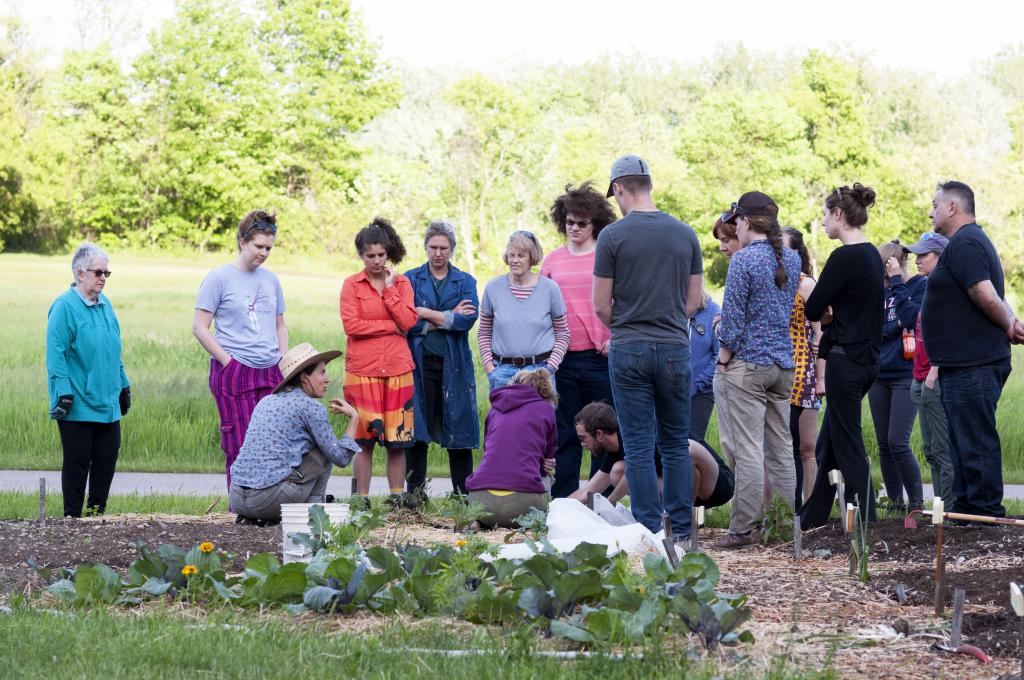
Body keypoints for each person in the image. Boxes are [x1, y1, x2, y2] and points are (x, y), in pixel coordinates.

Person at [593, 155, 703, 537]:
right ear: (650, 185)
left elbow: (600, 305)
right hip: (674, 347)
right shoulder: (685, 234)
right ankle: (684, 532)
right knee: (674, 444)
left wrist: (625, 325)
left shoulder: (612, 237)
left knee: (638, 447)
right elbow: (694, 301)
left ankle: (648, 531)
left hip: (629, 348)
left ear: (620, 188)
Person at [921, 181, 1024, 518]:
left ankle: (984, 516)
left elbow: (983, 293)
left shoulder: (966, 242)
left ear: (953, 207)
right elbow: (988, 293)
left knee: (975, 441)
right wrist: (1009, 318)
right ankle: (968, 514)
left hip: (974, 362)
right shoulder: (964, 243)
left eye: (936, 204)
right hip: (962, 363)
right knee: (962, 442)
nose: (931, 211)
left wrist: (1008, 324)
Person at [715, 192, 800, 548]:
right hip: (783, 365)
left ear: (746, 222)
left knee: (748, 449)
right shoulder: (792, 258)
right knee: (781, 447)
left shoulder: (744, 261)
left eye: (736, 222)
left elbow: (733, 323)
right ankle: (782, 525)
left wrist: (722, 357)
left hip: (748, 365)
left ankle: (743, 528)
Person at [799, 184, 885, 529]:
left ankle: (868, 522)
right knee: (829, 443)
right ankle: (812, 516)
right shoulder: (872, 256)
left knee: (847, 444)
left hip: (844, 361)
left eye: (825, 214)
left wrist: (829, 313)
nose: (822, 222)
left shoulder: (843, 257)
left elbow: (814, 308)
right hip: (867, 362)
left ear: (838, 214)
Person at [194, 210, 288, 496]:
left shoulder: (271, 280)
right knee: (240, 443)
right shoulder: (219, 278)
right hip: (235, 371)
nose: (264, 253)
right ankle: (240, 509)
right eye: (259, 246)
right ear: (242, 241)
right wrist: (228, 362)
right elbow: (200, 327)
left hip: (271, 370)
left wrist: (283, 359)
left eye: (269, 248)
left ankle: (266, 507)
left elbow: (280, 324)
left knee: (272, 443)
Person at [540, 182, 617, 498]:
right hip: (565, 358)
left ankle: (600, 502)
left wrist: (615, 336)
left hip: (602, 357)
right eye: (569, 221)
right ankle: (565, 503)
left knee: (603, 433)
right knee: (567, 434)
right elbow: (541, 305)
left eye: (582, 223)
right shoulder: (553, 261)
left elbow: (622, 299)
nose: (574, 227)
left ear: (595, 223)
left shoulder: (607, 254)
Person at [229, 343, 361, 523]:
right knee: (325, 451)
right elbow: (341, 458)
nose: (327, 379)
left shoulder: (266, 400)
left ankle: (254, 517)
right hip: (270, 502)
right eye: (322, 372)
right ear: (304, 377)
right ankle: (314, 513)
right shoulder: (311, 407)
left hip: (236, 497)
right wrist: (354, 418)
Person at [46, 243, 131, 517]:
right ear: (79, 272)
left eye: (107, 273)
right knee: (77, 464)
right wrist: (63, 393)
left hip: (108, 404)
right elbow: (56, 355)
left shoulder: (106, 306)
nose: (103, 278)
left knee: (106, 462)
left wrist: (124, 383)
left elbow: (114, 349)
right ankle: (71, 520)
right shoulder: (64, 307)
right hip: (77, 404)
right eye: (98, 272)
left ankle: (96, 519)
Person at [340, 217, 419, 505]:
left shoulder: (402, 283)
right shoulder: (351, 285)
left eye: (381, 255)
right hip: (362, 372)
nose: (376, 260)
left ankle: (396, 499)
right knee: (363, 440)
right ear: (361, 256)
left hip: (398, 370)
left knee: (397, 442)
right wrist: (389, 327)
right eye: (370, 256)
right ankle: (361, 500)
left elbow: (409, 321)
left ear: (388, 253)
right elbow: (352, 326)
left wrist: (388, 291)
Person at [403, 221, 480, 498]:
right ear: (425, 247)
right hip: (418, 363)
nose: (438, 253)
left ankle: (462, 496)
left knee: (458, 430)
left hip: (454, 364)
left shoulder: (465, 281)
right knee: (416, 429)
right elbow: (405, 321)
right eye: (433, 247)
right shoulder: (409, 279)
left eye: (443, 248)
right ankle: (415, 494)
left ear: (452, 250)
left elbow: (467, 320)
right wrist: (445, 316)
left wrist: (425, 311)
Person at [569, 402, 734, 511]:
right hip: (687, 485)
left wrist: (609, 503)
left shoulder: (638, 435)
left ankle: (683, 518)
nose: (583, 444)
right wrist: (558, 509)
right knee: (618, 471)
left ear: (598, 434)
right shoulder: (614, 448)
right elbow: (587, 491)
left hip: (717, 485)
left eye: (583, 438)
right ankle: (663, 514)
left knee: (687, 452)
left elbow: (634, 469)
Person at [868, 240, 927, 512]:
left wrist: (897, 282)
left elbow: (911, 318)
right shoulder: (877, 292)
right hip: (879, 375)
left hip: (905, 374)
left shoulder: (917, 286)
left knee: (897, 441)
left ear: (898, 265)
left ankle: (916, 505)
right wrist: (895, 327)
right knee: (883, 444)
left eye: (887, 270)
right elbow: (873, 331)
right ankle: (895, 504)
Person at [466, 369, 558, 529]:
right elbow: (547, 460)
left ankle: (479, 522)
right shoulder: (546, 409)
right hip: (522, 506)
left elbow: (488, 447)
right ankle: (535, 523)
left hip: (480, 501)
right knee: (546, 476)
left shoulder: (494, 410)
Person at [478, 231, 570, 390]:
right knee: (504, 416)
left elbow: (562, 333)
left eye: (521, 256)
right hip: (502, 372)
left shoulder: (550, 289)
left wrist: (549, 368)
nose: (514, 260)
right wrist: (490, 369)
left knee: (539, 415)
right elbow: (484, 331)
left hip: (539, 372)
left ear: (532, 257)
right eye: (511, 255)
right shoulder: (493, 288)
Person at [903, 232, 954, 505]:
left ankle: (947, 512)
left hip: (934, 379)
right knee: (930, 450)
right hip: (920, 377)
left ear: (940, 257)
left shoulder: (945, 289)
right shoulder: (927, 286)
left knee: (942, 449)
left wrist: (935, 370)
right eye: (917, 254)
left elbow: (950, 331)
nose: (918, 259)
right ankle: (938, 508)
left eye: (925, 255)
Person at [781, 227, 822, 510]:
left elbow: (821, 334)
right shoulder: (777, 282)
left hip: (802, 368)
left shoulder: (805, 284)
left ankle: (807, 507)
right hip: (780, 366)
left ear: (796, 252)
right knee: (786, 442)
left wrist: (821, 376)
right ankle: (789, 507)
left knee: (801, 443)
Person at [711, 216, 742, 471]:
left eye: (727, 240)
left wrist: (718, 324)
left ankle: (743, 506)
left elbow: (732, 327)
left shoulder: (740, 267)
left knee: (734, 442)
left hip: (737, 366)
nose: (722, 248)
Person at [689, 290, 721, 440]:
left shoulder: (713, 311)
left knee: (693, 442)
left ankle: (716, 465)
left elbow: (719, 355)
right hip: (671, 389)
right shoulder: (670, 308)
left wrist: (697, 384)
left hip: (702, 391)